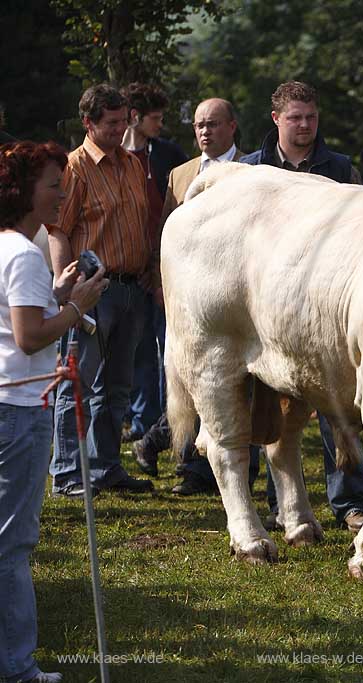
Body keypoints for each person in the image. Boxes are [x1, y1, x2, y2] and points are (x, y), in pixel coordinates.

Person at [241, 81, 363, 532]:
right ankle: (282, 502)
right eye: (295, 117)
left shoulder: (339, 168)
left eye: (311, 117)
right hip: (267, 299)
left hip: (325, 300)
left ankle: (350, 502)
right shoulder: (249, 171)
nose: (305, 126)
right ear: (275, 118)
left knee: (339, 402)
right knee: (268, 403)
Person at [1, 140, 107, 683]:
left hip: (9, 401)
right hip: (19, 409)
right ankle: (17, 668)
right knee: (12, 546)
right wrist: (75, 307)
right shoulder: (21, 253)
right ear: (21, 191)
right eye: (51, 185)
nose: (60, 195)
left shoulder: (6, 248)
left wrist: (56, 291)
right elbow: (28, 336)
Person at [131, 97, 253, 495]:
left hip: (237, 294)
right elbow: (168, 231)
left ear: (232, 126)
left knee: (230, 380)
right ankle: (187, 464)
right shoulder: (180, 174)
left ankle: (194, 459)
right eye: (200, 124)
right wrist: (162, 283)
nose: (205, 131)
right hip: (187, 295)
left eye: (214, 124)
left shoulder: (254, 171)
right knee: (185, 374)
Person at [47, 84, 155, 497]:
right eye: (110, 123)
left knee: (117, 388)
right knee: (77, 383)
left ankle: (105, 467)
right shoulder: (74, 167)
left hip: (131, 288)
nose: (119, 129)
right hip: (94, 291)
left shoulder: (131, 163)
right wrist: (69, 287)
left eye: (123, 120)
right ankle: (68, 473)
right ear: (88, 123)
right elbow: (59, 229)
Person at [120, 83, 188, 444]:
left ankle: (167, 423)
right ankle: (141, 421)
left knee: (169, 348)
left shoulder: (169, 154)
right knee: (137, 349)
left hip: (165, 270)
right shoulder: (114, 158)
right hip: (128, 269)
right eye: (156, 118)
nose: (161, 124)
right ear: (136, 117)